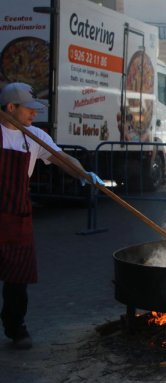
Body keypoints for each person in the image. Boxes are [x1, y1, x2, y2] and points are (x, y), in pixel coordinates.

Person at [0, 82, 103, 349]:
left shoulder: (34, 136)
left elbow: (63, 159)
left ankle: (16, 328)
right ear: (11, 108)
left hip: (18, 216)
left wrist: (84, 174)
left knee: (17, 278)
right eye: (28, 110)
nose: (34, 114)